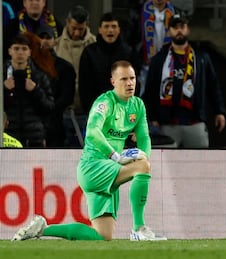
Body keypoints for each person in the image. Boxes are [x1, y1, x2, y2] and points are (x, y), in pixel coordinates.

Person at [12, 60, 166, 241]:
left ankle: (42, 229)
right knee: (142, 166)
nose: (130, 83)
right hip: (93, 167)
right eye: (124, 79)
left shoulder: (137, 106)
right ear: (113, 82)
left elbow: (144, 137)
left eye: (132, 78)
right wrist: (117, 156)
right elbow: (92, 133)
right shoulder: (105, 102)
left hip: (109, 169)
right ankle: (139, 229)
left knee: (102, 236)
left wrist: (144, 155)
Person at [143, 14, 226, 148]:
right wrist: (152, 118)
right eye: (175, 27)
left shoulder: (201, 58)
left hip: (195, 123)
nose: (179, 30)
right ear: (169, 31)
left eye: (182, 26)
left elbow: (213, 85)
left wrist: (219, 111)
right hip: (167, 124)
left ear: (188, 30)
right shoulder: (159, 60)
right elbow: (150, 91)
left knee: (199, 165)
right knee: (165, 167)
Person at [79, 12, 140, 114]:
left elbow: (135, 84)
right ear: (100, 30)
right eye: (106, 26)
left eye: (113, 26)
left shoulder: (128, 53)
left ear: (119, 30)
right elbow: (85, 87)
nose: (110, 30)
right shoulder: (89, 52)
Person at [25, 29, 76, 147]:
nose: (44, 41)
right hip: (30, 124)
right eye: (41, 37)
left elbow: (66, 98)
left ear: (55, 41)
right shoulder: (27, 66)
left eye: (48, 38)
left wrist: (49, 109)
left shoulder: (65, 67)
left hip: (55, 125)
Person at [54, 5, 96, 147]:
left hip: (90, 111)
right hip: (65, 111)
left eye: (81, 28)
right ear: (67, 22)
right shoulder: (56, 46)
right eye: (74, 28)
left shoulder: (95, 45)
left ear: (87, 25)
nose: (77, 33)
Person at [3, 34, 55, 147]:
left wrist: (35, 90)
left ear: (30, 52)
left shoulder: (40, 76)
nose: (20, 52)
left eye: (24, 49)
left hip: (34, 137)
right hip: (8, 136)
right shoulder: (2, 76)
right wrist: (4, 90)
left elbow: (49, 107)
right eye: (16, 48)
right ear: (9, 51)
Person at [138, 0, 177, 96]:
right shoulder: (140, 12)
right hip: (146, 63)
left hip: (167, 63)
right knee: (144, 95)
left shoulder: (174, 13)